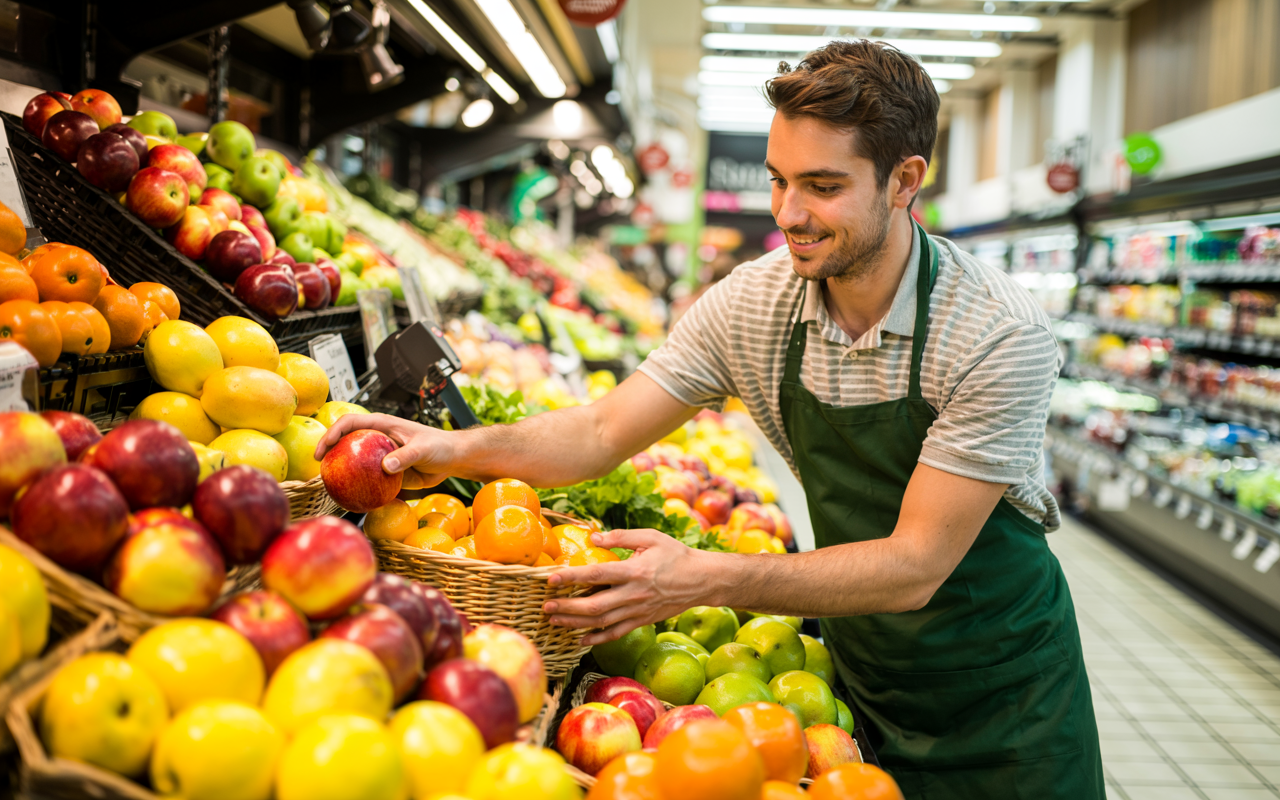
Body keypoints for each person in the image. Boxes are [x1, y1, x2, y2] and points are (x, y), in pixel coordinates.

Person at [316, 40, 1104, 799]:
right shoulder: (755, 303)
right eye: (777, 180)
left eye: (823, 187)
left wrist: (702, 576)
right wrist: (456, 449)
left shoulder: (997, 332)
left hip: (1002, 697)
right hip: (860, 673)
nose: (788, 214)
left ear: (905, 181)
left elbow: (915, 566)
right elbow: (597, 433)